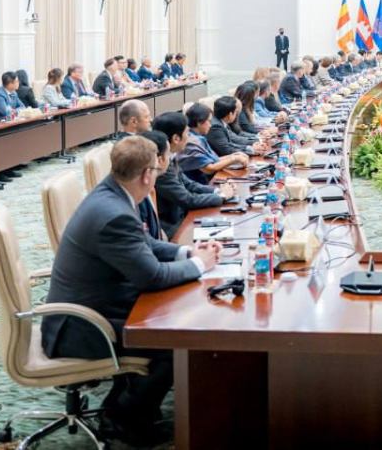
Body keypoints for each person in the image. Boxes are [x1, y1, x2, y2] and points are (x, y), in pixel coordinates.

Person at [41, 136, 219, 446]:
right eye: (157, 170)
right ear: (147, 174)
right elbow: (152, 277)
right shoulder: (114, 213)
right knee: (174, 339)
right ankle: (124, 420)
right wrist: (200, 265)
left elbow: (143, 243)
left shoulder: (112, 193)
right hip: (81, 327)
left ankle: (122, 406)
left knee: (174, 316)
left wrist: (187, 253)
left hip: (98, 305)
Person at [152, 111, 232, 238]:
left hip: (184, 217)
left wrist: (217, 191)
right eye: (187, 133)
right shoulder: (161, 166)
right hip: (173, 226)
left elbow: (189, 184)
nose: (189, 137)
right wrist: (222, 196)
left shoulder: (171, 156)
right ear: (176, 138)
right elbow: (187, 200)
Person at [177, 103, 250, 184]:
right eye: (208, 121)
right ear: (199, 122)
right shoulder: (191, 142)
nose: (210, 125)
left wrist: (234, 155)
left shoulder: (198, 137)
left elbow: (213, 160)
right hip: (199, 185)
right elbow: (209, 169)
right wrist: (234, 159)